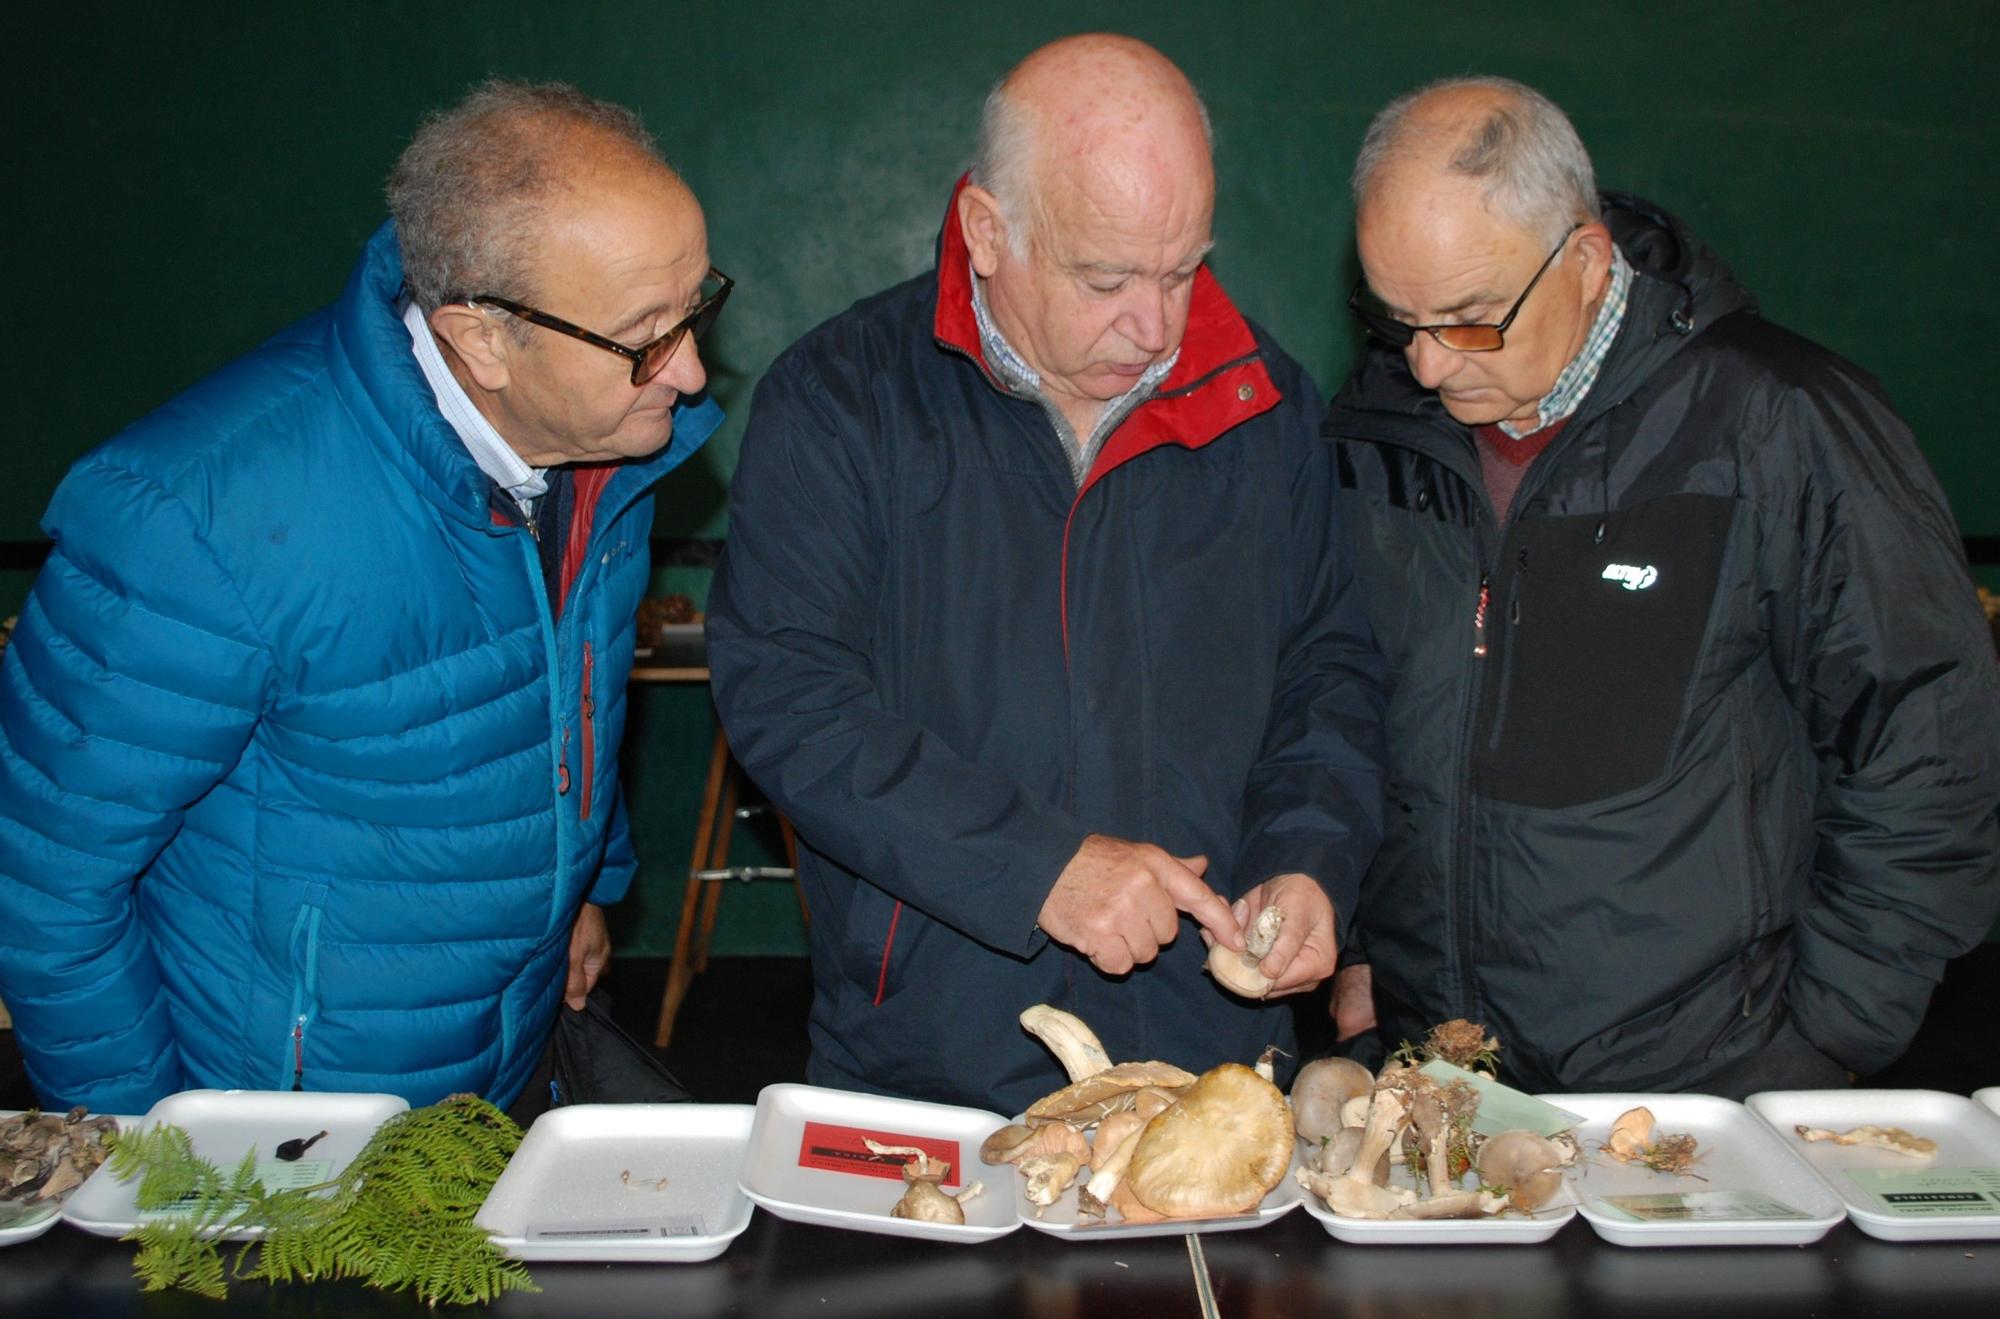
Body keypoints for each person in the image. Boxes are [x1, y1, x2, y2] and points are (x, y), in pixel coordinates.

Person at [0, 81, 729, 1114]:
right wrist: (149, 1160)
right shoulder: (195, 515)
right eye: (646, 335)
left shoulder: (602, 460)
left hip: (499, 1068)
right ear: (480, 337)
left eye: (698, 306)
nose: (691, 372)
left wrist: (585, 883)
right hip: (280, 1135)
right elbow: (41, 886)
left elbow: (575, 689)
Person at [705, 34, 1386, 1116]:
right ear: (987, 232)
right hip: (928, 1056)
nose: (1155, 324)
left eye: (1181, 268)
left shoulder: (1267, 406)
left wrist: (1308, 857)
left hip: (1210, 1063)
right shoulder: (841, 400)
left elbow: (1327, 671)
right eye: (1105, 277)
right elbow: (789, 697)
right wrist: (1037, 866)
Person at [1325, 76, 2000, 1096]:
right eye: (1394, 317)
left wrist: (1824, 1037)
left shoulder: (1780, 425)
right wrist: (1367, 935)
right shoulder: (1376, 438)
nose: (1423, 366)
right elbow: (1366, 714)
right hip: (1448, 1086)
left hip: (1707, 1094)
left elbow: (1927, 741)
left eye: (1467, 321)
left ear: (1587, 263)